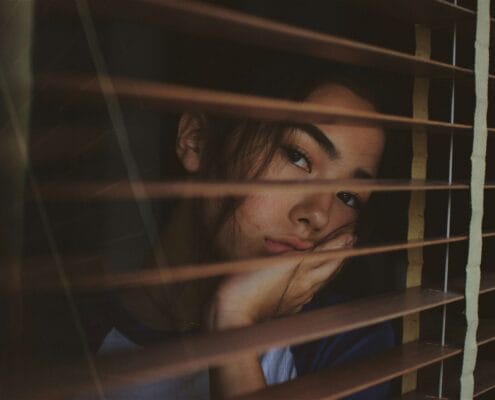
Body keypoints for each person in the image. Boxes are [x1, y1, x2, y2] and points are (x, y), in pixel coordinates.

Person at [88, 66, 396, 399]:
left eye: (349, 196)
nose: (320, 215)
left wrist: (232, 320)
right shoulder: (72, 336)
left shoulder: (345, 344)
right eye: (298, 157)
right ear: (197, 141)